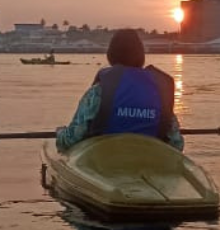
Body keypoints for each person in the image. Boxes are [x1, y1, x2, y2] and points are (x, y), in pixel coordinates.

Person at [56, 29, 184, 152]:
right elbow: (176, 143)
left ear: (110, 55)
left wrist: (60, 133)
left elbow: (71, 139)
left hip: (103, 163)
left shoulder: (98, 92)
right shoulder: (160, 92)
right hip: (150, 162)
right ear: (141, 56)